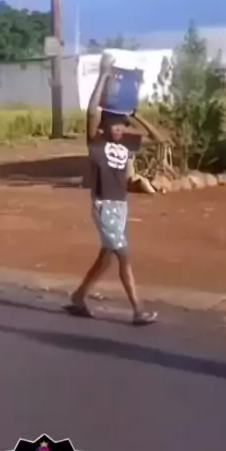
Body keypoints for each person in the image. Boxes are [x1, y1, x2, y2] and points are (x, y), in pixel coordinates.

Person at [64, 54, 159, 325]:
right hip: (104, 206)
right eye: (115, 124)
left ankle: (79, 297)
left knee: (106, 257)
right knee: (123, 257)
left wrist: (137, 116)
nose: (119, 128)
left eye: (121, 124)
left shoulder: (127, 144)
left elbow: (160, 139)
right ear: (104, 126)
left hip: (121, 206)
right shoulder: (96, 143)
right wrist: (104, 75)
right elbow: (91, 111)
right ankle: (138, 309)